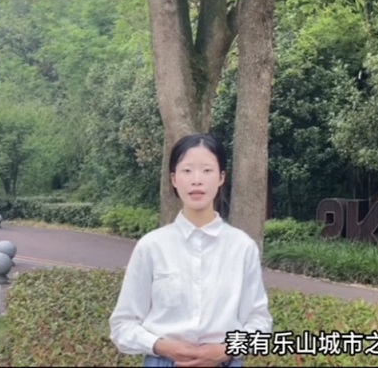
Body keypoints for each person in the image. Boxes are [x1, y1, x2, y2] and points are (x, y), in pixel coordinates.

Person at [109, 133, 273, 367]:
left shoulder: (242, 247)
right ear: (174, 179)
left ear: (221, 177)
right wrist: (162, 346)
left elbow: (260, 323)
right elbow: (122, 325)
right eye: (187, 171)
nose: (197, 180)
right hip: (163, 362)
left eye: (207, 170)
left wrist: (225, 350)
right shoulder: (152, 246)